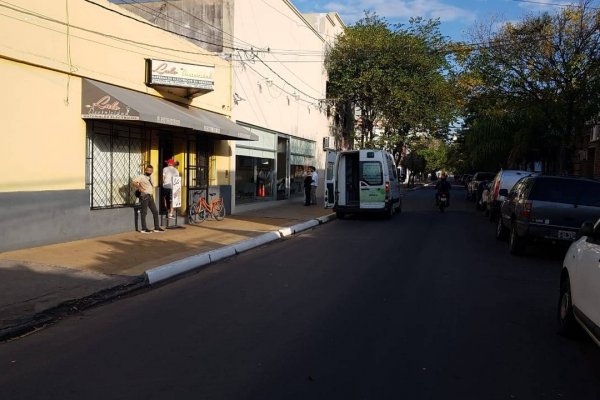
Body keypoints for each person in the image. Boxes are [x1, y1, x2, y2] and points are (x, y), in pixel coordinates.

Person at [133, 165, 163, 233]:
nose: (149, 172)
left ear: (152, 171)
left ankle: (157, 227)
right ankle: (144, 228)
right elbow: (134, 182)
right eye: (148, 170)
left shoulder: (150, 177)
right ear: (145, 170)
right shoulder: (141, 176)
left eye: (150, 171)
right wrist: (140, 188)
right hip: (144, 196)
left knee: (155, 211)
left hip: (150, 196)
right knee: (144, 212)